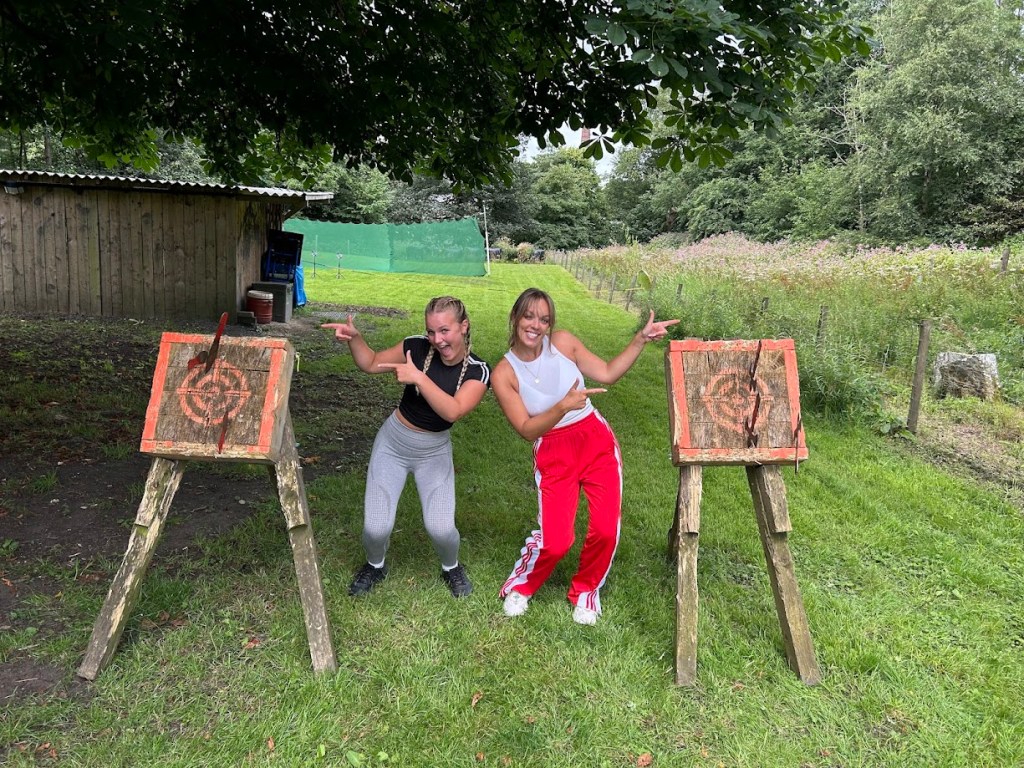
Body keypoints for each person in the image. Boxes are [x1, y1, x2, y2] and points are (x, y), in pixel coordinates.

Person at [492, 287, 678, 624]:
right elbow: (526, 429)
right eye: (530, 316)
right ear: (516, 316)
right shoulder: (504, 372)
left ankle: (586, 591)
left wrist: (640, 339)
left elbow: (607, 372)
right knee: (556, 541)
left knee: (606, 529)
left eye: (544, 319)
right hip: (554, 449)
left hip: (595, 441)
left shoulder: (563, 343)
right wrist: (562, 406)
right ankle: (522, 585)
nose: (536, 325)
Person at [322, 296, 490, 598]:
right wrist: (355, 339)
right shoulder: (416, 346)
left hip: (434, 452)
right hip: (393, 443)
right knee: (375, 529)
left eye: (444, 331)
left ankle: (451, 567)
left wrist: (418, 377)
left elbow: (453, 411)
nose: (437, 340)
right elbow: (371, 363)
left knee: (440, 529)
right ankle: (375, 564)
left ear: (463, 326)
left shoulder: (478, 371)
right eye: (430, 331)